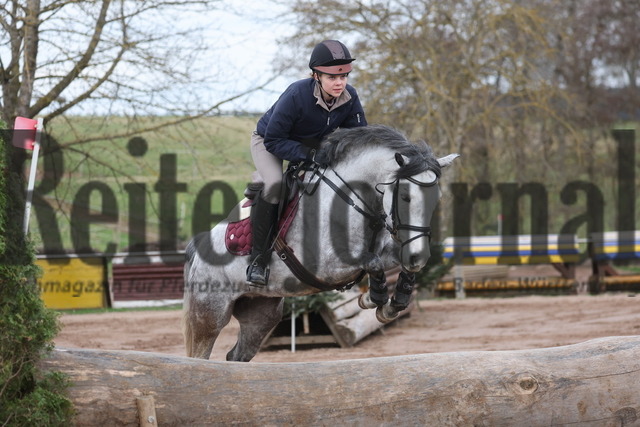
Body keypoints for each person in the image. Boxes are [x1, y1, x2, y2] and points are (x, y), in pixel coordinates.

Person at [246, 39, 368, 286]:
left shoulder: (350, 96)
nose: (339, 83)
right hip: (270, 141)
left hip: (311, 145)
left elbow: (358, 138)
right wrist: (310, 154)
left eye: (343, 76)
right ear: (316, 76)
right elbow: (274, 140)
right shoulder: (296, 94)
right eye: (332, 77)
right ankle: (258, 260)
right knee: (275, 184)